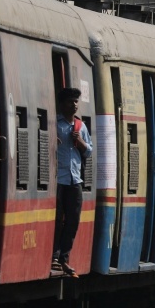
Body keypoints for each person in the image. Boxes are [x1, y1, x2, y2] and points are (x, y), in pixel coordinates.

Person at [52, 87, 93, 276]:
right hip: (58, 180)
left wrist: (81, 142)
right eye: (70, 101)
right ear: (62, 104)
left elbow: (89, 151)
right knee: (57, 219)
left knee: (73, 220)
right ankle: (54, 256)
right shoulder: (55, 124)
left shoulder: (81, 127)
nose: (74, 105)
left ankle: (64, 258)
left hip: (74, 179)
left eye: (76, 101)